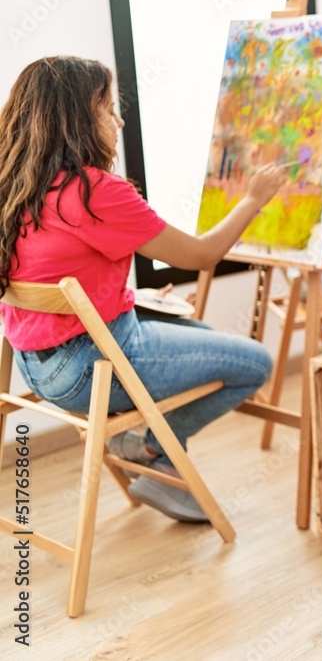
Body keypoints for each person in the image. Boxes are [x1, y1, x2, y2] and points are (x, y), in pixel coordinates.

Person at [0, 56, 286, 523]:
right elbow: (201, 255)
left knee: (190, 324)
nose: (119, 119)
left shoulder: (15, 186)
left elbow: (62, 281)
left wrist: (142, 302)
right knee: (254, 362)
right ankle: (148, 446)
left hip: (34, 369)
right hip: (93, 368)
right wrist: (253, 199)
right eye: (108, 108)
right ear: (75, 120)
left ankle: (161, 464)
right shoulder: (96, 193)